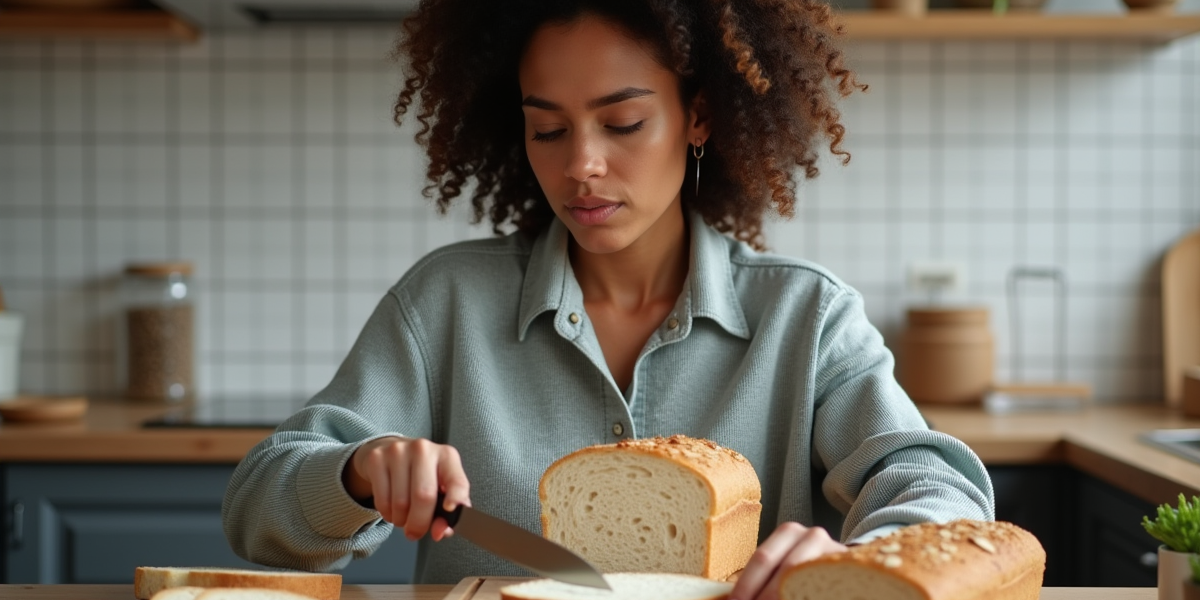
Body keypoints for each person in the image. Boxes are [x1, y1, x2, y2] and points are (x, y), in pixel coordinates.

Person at [222, 1, 994, 599]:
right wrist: (355, 474)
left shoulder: (807, 316)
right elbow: (260, 512)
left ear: (698, 115)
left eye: (622, 122)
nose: (581, 165)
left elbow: (935, 483)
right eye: (547, 131)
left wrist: (861, 561)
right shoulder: (444, 302)